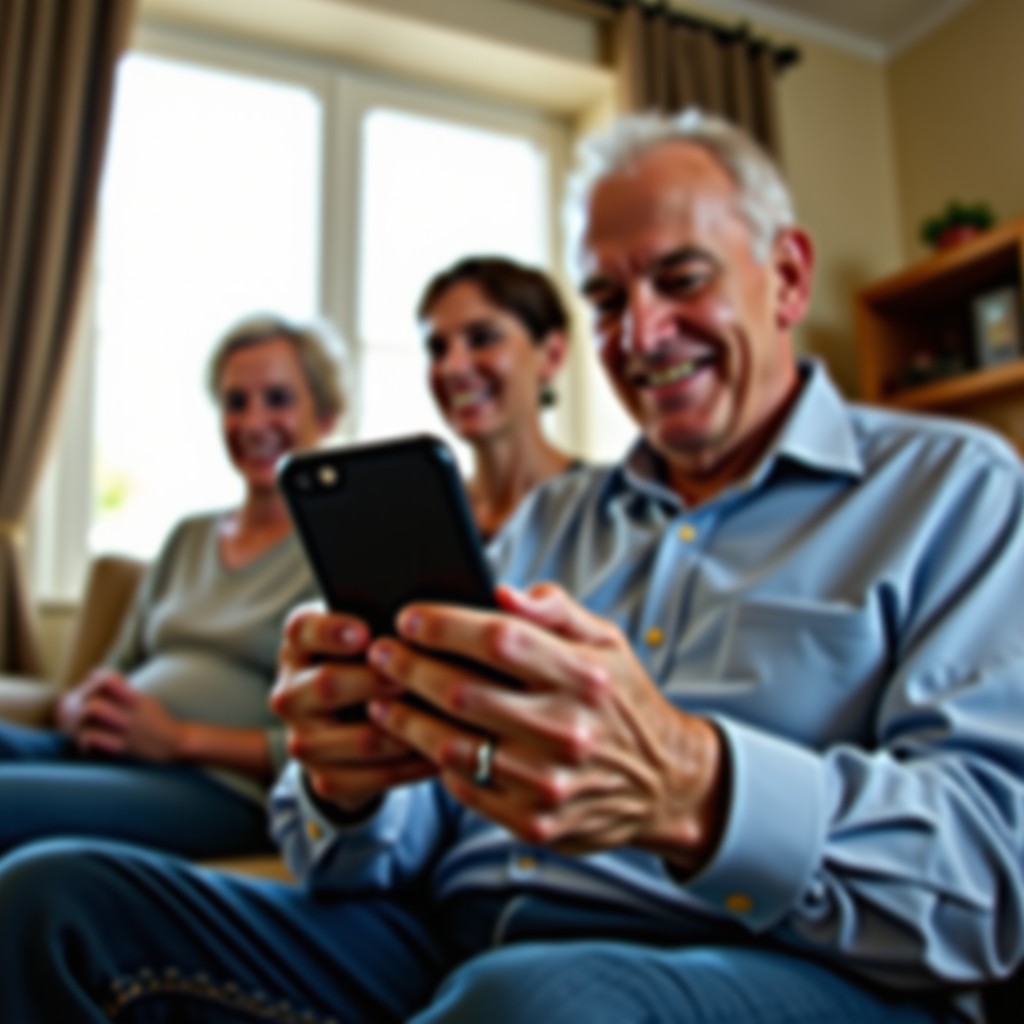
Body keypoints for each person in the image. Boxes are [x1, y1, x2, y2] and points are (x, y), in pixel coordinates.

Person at [0, 109, 1022, 1023]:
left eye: (680, 279)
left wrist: (696, 788)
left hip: (757, 963)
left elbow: (993, 883)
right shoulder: (545, 524)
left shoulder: (955, 489)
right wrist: (354, 783)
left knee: (530, 1002)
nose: (640, 332)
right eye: (605, 298)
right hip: (445, 943)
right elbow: (374, 846)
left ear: (787, 277)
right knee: (51, 898)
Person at [0, 314, 344, 859]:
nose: (254, 422)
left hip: (220, 789)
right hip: (113, 756)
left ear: (326, 416)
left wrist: (179, 740)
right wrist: (80, 708)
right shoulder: (189, 535)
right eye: (236, 403)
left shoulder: (337, 550)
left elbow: (335, 743)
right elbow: (117, 666)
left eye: (278, 399)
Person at [418, 255, 578, 541]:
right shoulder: (422, 521)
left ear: (552, 355)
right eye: (437, 349)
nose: (452, 368)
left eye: (482, 338)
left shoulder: (608, 511)